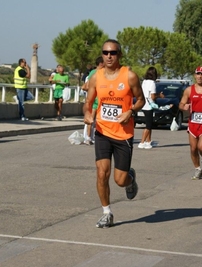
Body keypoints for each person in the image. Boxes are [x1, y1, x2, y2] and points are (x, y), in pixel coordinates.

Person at [84, 39, 145, 228]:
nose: (109, 56)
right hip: (103, 131)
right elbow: (89, 102)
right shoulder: (96, 77)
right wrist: (87, 114)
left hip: (123, 134)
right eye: (105, 52)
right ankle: (106, 212)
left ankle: (130, 179)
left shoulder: (130, 76)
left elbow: (141, 100)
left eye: (113, 53)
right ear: (102, 55)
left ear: (119, 55)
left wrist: (131, 111)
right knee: (102, 173)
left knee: (119, 180)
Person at [82, 57, 104, 144]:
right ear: (101, 63)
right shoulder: (96, 72)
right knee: (92, 118)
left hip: (97, 98)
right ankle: (88, 137)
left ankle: (91, 136)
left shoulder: (94, 72)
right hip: (95, 98)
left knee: (95, 119)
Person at [138, 66, 158, 149]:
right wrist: (159, 95)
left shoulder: (144, 82)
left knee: (149, 124)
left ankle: (148, 141)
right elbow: (153, 96)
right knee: (148, 125)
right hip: (149, 106)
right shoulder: (152, 83)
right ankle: (142, 142)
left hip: (143, 104)